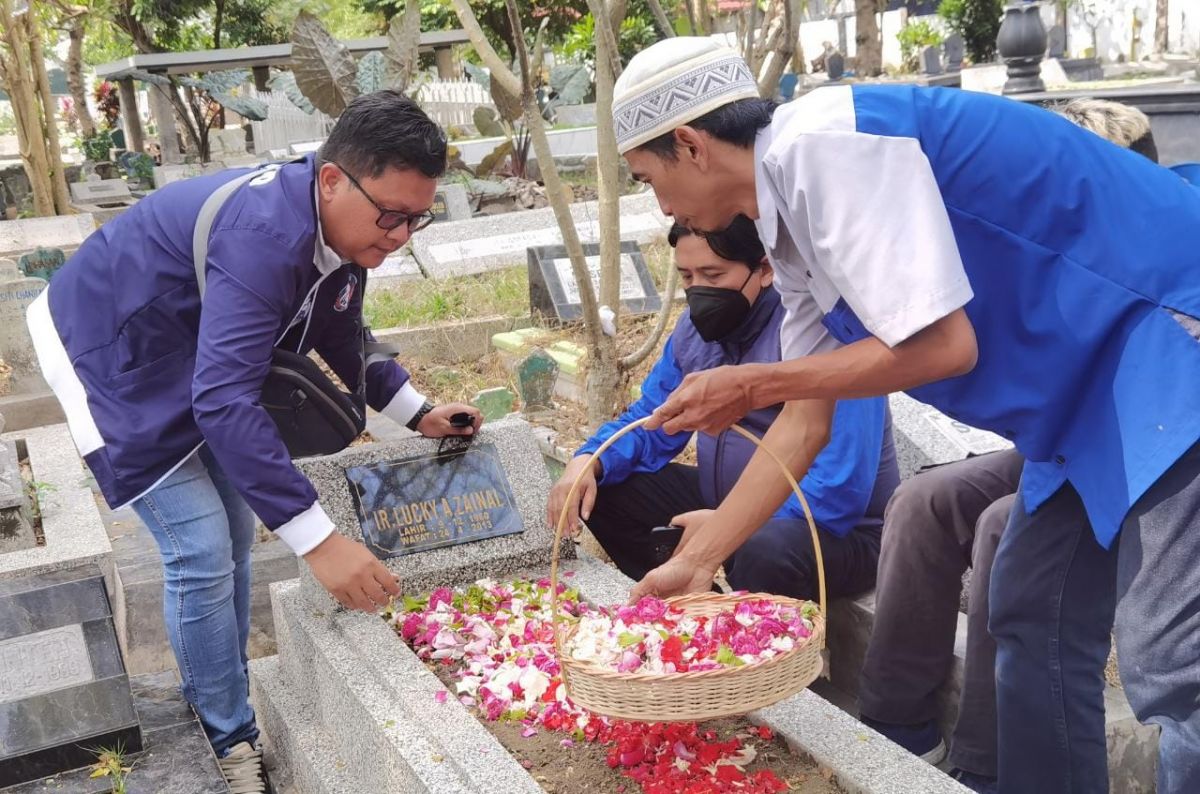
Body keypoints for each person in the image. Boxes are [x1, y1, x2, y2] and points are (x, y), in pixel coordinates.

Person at [610, 37, 1200, 793]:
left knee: (1174, 666)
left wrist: (752, 384)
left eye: (647, 176)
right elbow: (805, 419)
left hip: (1165, 338)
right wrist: (698, 559)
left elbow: (943, 347)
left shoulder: (826, 147)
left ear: (688, 145)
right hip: (1086, 397)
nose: (657, 202)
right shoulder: (786, 228)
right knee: (1028, 611)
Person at [26, 91, 482, 793]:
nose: (400, 235)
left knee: (236, 535)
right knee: (201, 547)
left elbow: (339, 331)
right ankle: (228, 736)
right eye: (391, 215)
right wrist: (322, 542)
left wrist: (414, 410)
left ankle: (215, 692)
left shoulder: (341, 231)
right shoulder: (267, 235)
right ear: (332, 179)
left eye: (416, 219)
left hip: (198, 353)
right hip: (113, 352)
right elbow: (223, 399)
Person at [857, 98, 1167, 794]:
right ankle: (895, 724)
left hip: (1147, 448)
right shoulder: (1053, 248)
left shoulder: (1162, 238)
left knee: (1007, 530)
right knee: (923, 500)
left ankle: (986, 761)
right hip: (1064, 441)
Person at [547, 217, 897, 600]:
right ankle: (691, 603)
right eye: (687, 277)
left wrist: (726, 528)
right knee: (607, 488)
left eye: (713, 276)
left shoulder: (820, 332)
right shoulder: (697, 332)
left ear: (764, 269)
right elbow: (654, 417)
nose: (699, 291)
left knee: (764, 549)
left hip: (833, 531)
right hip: (730, 502)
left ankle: (760, 642)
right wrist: (589, 461)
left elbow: (838, 490)